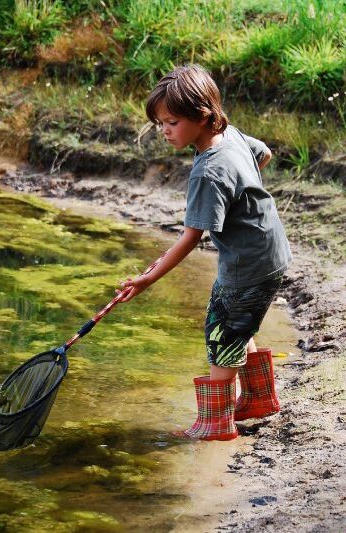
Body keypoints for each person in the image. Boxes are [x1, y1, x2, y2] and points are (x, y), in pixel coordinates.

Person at [117, 64, 292, 441]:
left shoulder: (208, 171)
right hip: (269, 252)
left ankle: (216, 422)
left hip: (247, 264)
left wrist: (148, 278)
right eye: (160, 123)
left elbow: (191, 237)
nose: (163, 131)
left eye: (172, 122)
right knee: (238, 323)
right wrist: (243, 199)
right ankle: (259, 399)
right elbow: (265, 155)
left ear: (203, 116)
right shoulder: (229, 135)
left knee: (220, 332)